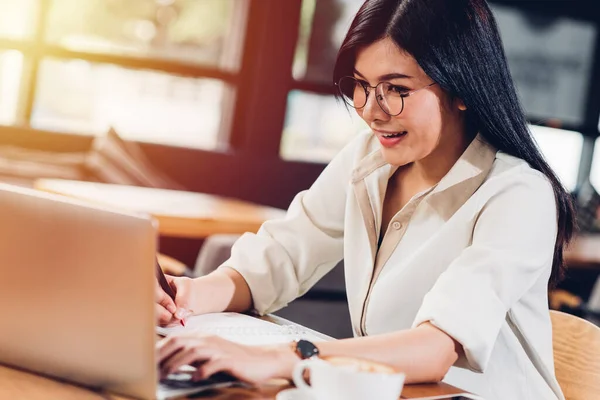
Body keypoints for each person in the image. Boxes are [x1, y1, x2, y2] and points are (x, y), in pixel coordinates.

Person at [156, 0, 575, 399]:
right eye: (361, 85)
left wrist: (280, 358)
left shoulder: (519, 194)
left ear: (461, 88)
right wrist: (190, 296)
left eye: (394, 89)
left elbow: (435, 349)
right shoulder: (366, 159)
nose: (371, 111)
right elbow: (280, 257)